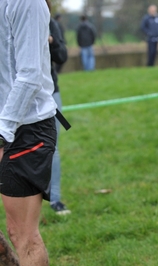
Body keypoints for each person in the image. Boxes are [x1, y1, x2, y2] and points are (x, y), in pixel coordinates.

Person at [0, 0, 58, 265]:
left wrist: (2, 132)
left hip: (25, 129)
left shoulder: (27, 2)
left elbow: (30, 75)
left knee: (23, 235)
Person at [47, 0, 71, 215]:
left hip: (49, 94)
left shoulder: (50, 23)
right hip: (10, 96)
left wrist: (51, 41)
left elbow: (62, 55)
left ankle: (54, 199)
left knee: (51, 147)